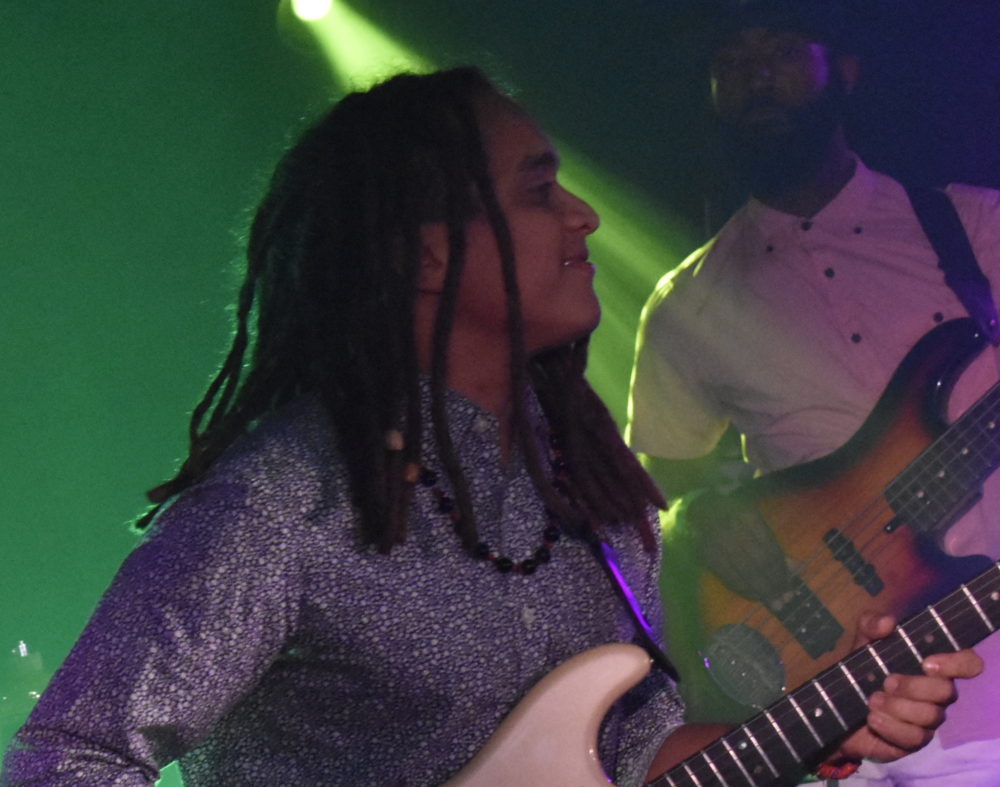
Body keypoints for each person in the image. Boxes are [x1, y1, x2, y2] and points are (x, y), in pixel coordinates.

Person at [1, 67, 977, 787]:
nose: (585, 216)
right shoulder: (290, 495)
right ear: (425, 255)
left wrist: (830, 720)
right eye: (538, 191)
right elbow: (68, 754)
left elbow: (639, 752)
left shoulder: (596, 493)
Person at [628, 2, 1000, 785]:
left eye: (782, 49)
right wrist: (703, 518)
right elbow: (661, 485)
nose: (757, 76)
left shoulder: (977, 224)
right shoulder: (686, 303)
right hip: (841, 696)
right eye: (733, 60)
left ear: (847, 70)